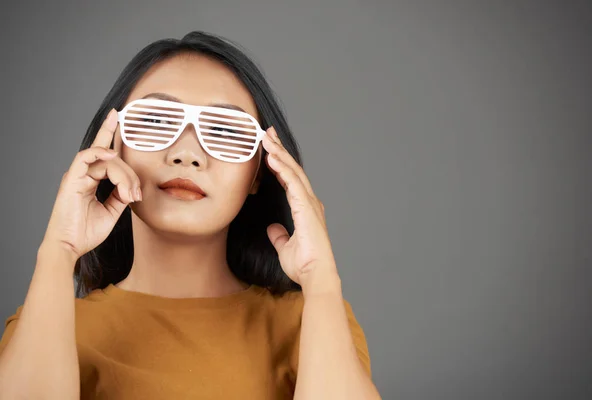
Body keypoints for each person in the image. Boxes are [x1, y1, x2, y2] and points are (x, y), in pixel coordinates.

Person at [0, 30, 380, 399]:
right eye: (154, 120)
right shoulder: (46, 327)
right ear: (113, 146)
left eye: (226, 130)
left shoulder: (314, 323)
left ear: (260, 171)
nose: (187, 153)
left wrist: (321, 277)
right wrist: (58, 250)